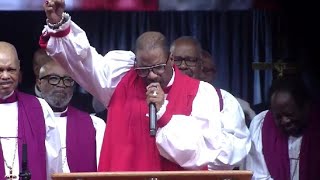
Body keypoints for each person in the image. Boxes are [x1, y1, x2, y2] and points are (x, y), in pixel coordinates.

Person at [40, 0, 244, 171]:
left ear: (171, 59)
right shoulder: (118, 79)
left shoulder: (201, 94)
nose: (151, 75)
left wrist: (164, 114)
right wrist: (60, 26)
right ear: (135, 62)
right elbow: (83, 62)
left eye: (158, 67)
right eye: (143, 69)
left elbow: (207, 154)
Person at [170, 36, 251, 169]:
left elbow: (235, 152)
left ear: (201, 65)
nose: (183, 66)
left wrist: (194, 162)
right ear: (169, 62)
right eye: (177, 60)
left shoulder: (224, 100)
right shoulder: (158, 99)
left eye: (191, 60)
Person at [0, 41, 56, 179]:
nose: (5, 76)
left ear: (19, 69)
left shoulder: (40, 107)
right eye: (0, 70)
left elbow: (53, 163)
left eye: (11, 69)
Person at [37, 60, 105, 173]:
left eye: (68, 80)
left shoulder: (95, 125)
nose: (61, 85)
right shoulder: (26, 120)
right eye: (53, 78)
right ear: (39, 83)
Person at [245, 76, 319, 179]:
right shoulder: (262, 125)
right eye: (278, 116)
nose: (285, 121)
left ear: (306, 107)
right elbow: (258, 174)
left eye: (290, 114)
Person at [200, 49, 256, 126]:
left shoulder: (234, 103)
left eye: (206, 71)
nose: (201, 75)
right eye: (198, 70)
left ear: (214, 74)